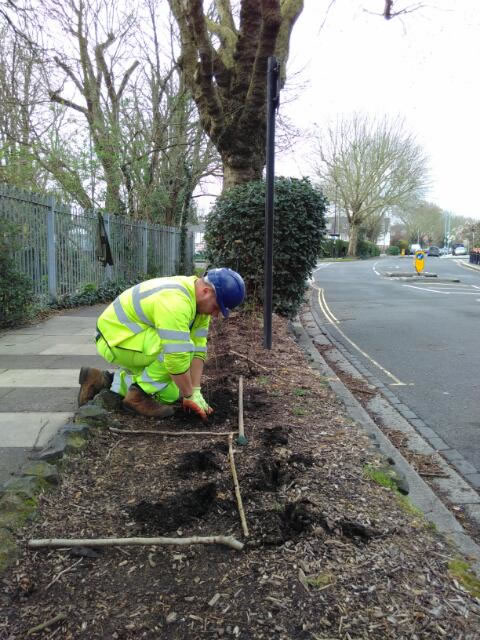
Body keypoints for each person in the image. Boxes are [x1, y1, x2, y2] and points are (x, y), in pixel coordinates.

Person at [77, 268, 245, 421]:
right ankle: (137, 397)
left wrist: (195, 390)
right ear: (206, 291)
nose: (216, 315)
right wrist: (189, 395)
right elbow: (176, 357)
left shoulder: (199, 305)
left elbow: (199, 349)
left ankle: (102, 380)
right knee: (177, 353)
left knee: (169, 395)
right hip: (115, 338)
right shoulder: (176, 302)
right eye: (217, 307)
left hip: (135, 340)